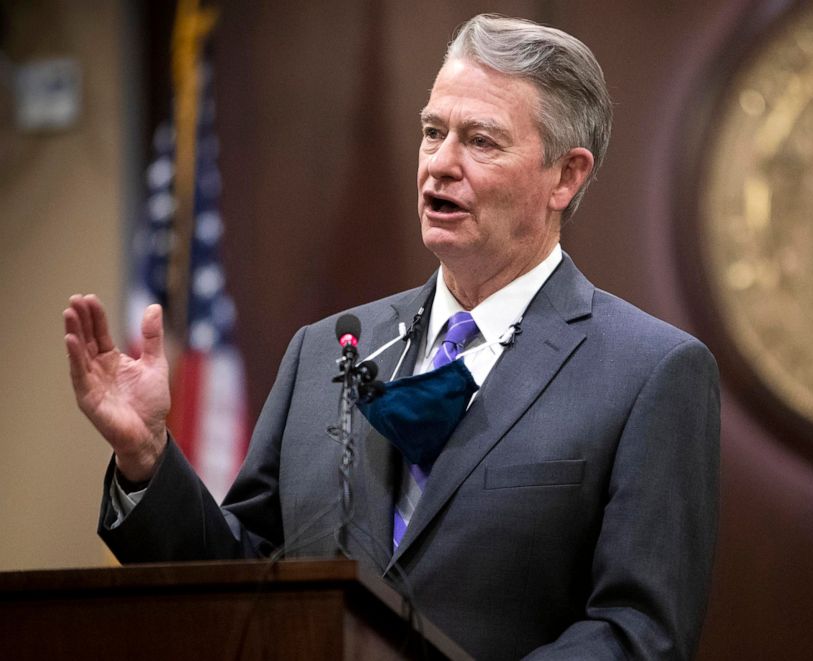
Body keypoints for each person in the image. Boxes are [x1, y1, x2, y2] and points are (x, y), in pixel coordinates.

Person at [64, 14, 720, 660]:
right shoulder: (324, 352)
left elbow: (638, 632)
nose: (440, 164)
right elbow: (242, 580)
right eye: (432, 133)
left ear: (566, 175)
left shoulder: (648, 372)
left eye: (481, 142)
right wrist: (148, 458)